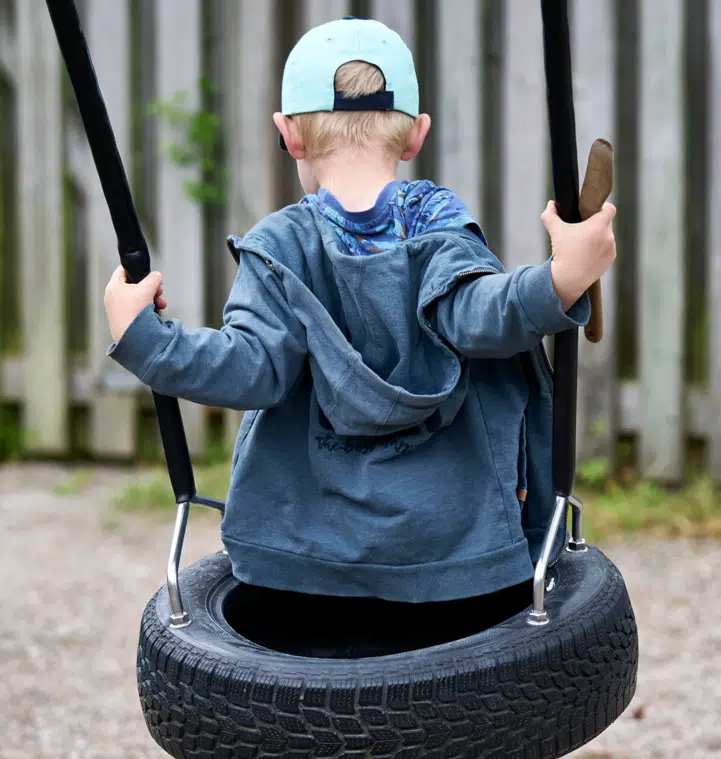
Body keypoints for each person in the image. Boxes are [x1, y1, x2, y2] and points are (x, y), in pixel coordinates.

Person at [103, 17, 615, 604]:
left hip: (297, 562)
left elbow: (247, 369)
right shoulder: (437, 226)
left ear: (289, 135)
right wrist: (561, 280)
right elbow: (480, 314)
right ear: (417, 134)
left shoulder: (281, 249)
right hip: (454, 556)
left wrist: (143, 337)